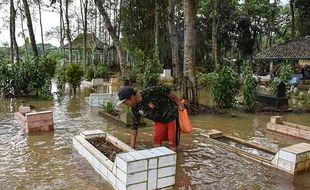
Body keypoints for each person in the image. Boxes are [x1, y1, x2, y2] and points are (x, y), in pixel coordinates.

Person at [116, 86, 184, 151]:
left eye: (127, 103)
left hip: (171, 116)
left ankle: (176, 158)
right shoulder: (135, 109)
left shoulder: (150, 92)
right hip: (159, 121)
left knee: (172, 143)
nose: (128, 106)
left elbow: (167, 90)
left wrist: (179, 103)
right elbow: (134, 126)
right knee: (157, 142)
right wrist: (132, 146)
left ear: (132, 97)